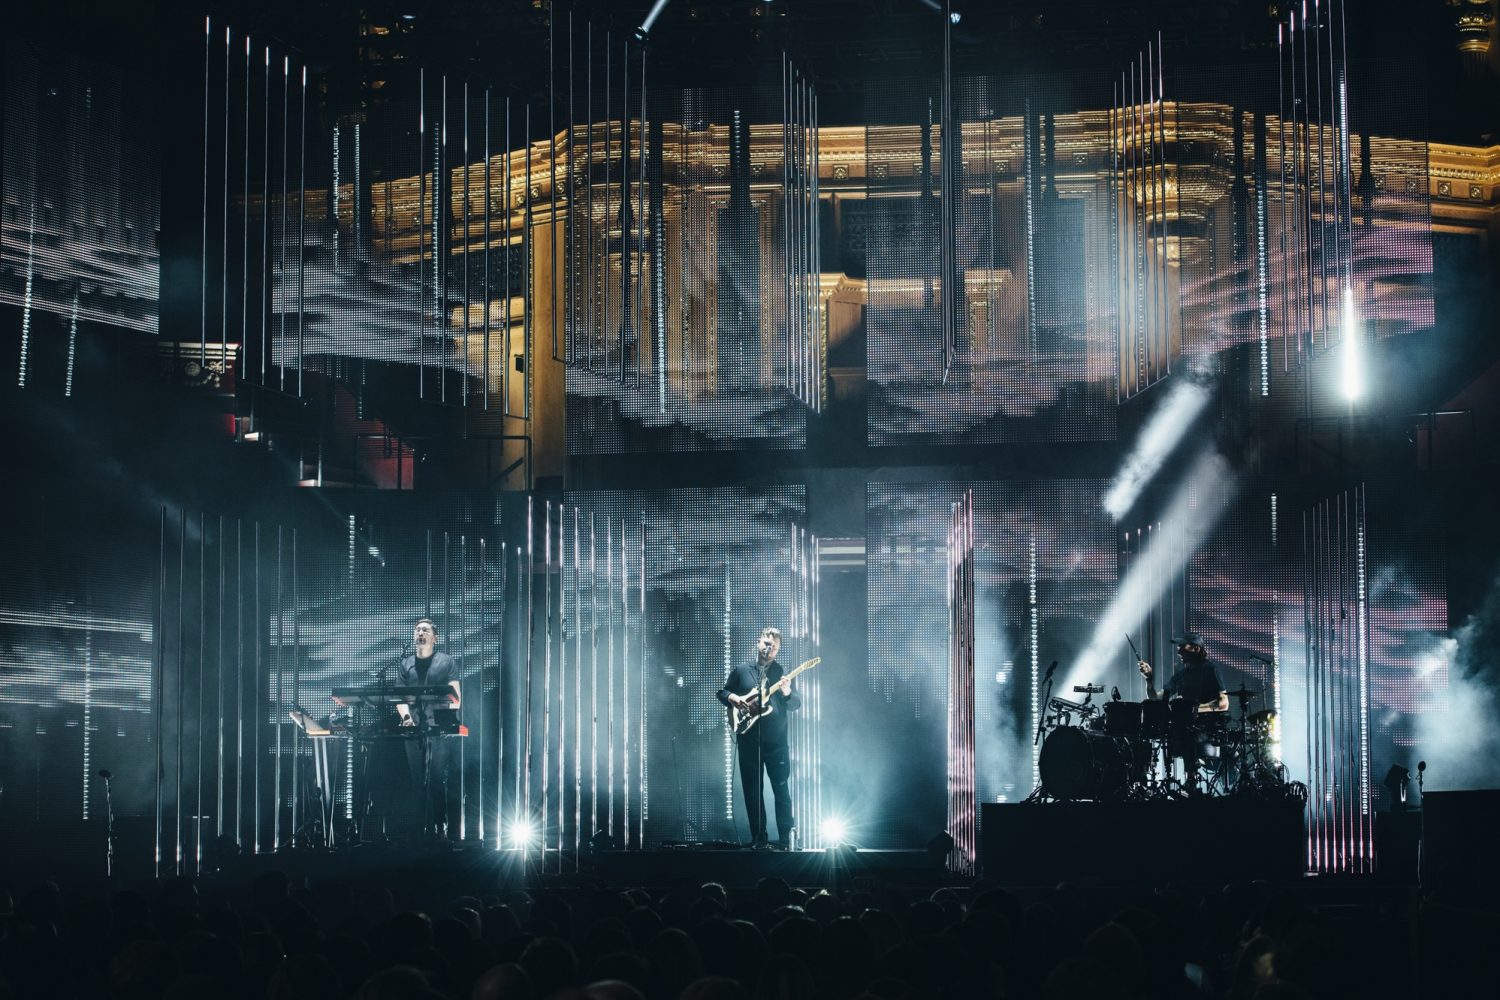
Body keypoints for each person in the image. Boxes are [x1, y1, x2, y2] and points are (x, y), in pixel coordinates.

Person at [716, 627, 800, 850]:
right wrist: (733, 697)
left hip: (776, 743)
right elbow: (722, 692)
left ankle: (785, 840)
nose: (769, 648)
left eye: (774, 646)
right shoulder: (742, 671)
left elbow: (795, 705)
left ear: (778, 650)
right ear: (758, 643)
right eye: (765, 643)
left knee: (781, 790)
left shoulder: (782, 673)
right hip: (748, 740)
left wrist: (787, 692)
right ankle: (759, 839)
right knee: (753, 791)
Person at [396, 617, 461, 840]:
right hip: (413, 730)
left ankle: (439, 826)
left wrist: (447, 717)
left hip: (438, 730)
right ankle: (419, 828)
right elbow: (400, 697)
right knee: (417, 779)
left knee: (435, 777)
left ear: (435, 637)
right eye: (417, 630)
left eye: (424, 630)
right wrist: (406, 718)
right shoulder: (406, 664)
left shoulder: (446, 661)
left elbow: (456, 696)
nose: (420, 633)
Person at [1138, 632, 1228, 789]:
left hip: (1207, 726)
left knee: (1188, 732)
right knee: (1145, 730)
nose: (1178, 651)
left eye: (1182, 648)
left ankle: (1191, 779)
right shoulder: (1182, 675)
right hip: (1183, 724)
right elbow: (1156, 699)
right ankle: (1142, 779)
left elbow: (1223, 703)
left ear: (1196, 649)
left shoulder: (1210, 669)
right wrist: (1149, 679)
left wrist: (1192, 710)